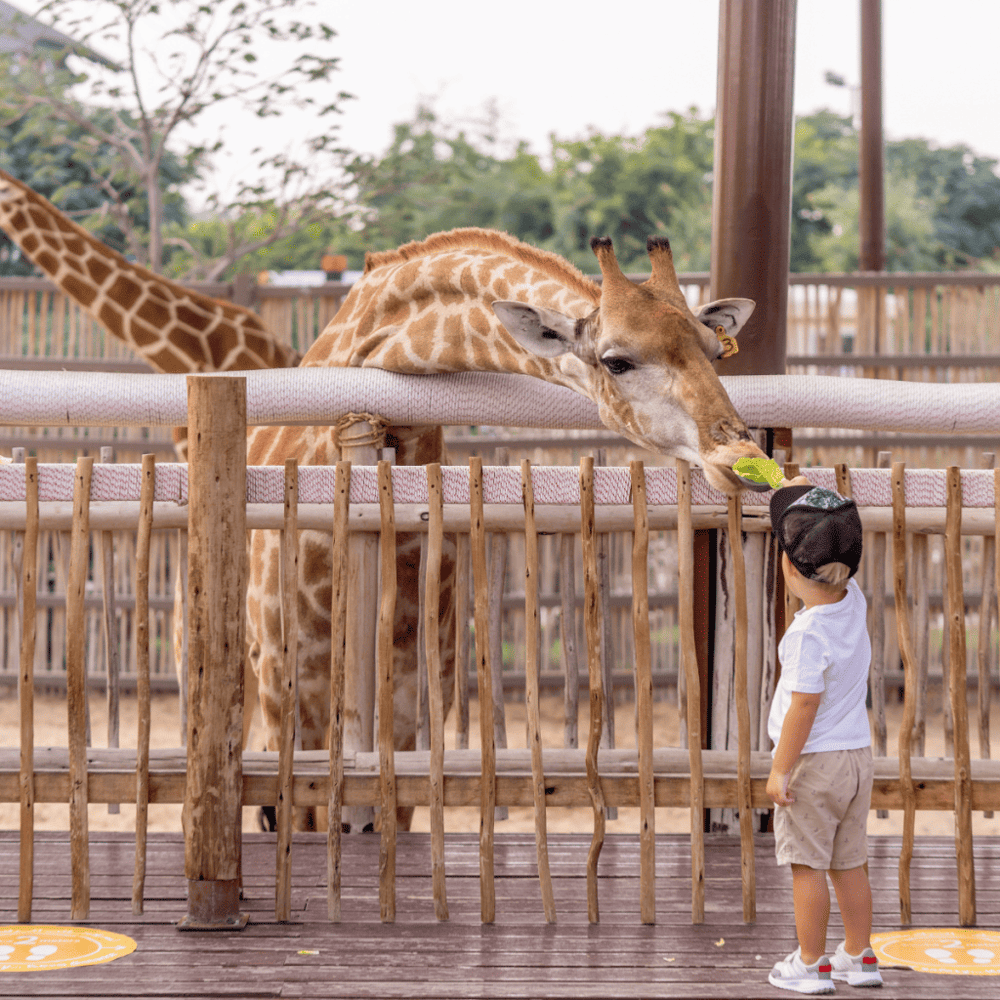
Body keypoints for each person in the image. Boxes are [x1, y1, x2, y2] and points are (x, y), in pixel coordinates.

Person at [764, 479, 884, 993]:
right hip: (856, 759)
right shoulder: (853, 600)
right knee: (849, 863)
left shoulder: (807, 635)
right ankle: (860, 955)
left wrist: (780, 768)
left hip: (813, 765)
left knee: (806, 866)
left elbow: (803, 706)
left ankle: (811, 964)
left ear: (789, 569)